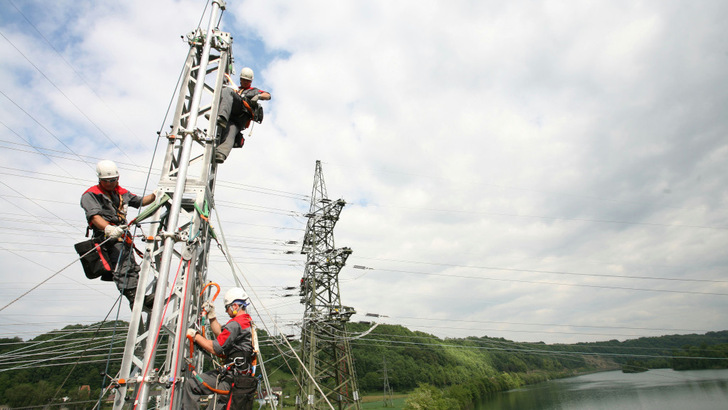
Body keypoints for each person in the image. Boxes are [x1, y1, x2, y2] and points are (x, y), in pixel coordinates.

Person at [80, 160, 156, 309]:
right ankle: (134, 299)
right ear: (99, 179)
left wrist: (156, 195)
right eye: (106, 181)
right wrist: (109, 229)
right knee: (122, 267)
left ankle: (138, 297)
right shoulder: (91, 195)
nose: (109, 183)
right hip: (107, 237)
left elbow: (141, 201)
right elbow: (95, 217)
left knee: (132, 267)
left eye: (112, 180)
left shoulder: (120, 193)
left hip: (122, 236)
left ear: (118, 178)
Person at [183, 288, 258, 409]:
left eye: (227, 307)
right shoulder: (245, 321)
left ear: (234, 306)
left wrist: (195, 336)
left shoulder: (236, 324)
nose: (226, 311)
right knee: (192, 384)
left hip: (233, 378)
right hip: (232, 374)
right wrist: (212, 316)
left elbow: (215, 348)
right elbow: (221, 336)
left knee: (193, 387)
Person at [215, 67, 271, 163]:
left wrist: (259, 96)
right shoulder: (236, 89)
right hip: (231, 117)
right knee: (231, 132)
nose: (245, 82)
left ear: (251, 81)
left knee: (228, 91)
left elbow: (268, 95)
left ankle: (222, 118)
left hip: (241, 112)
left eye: (247, 81)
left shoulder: (253, 90)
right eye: (243, 80)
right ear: (240, 79)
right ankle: (221, 154)